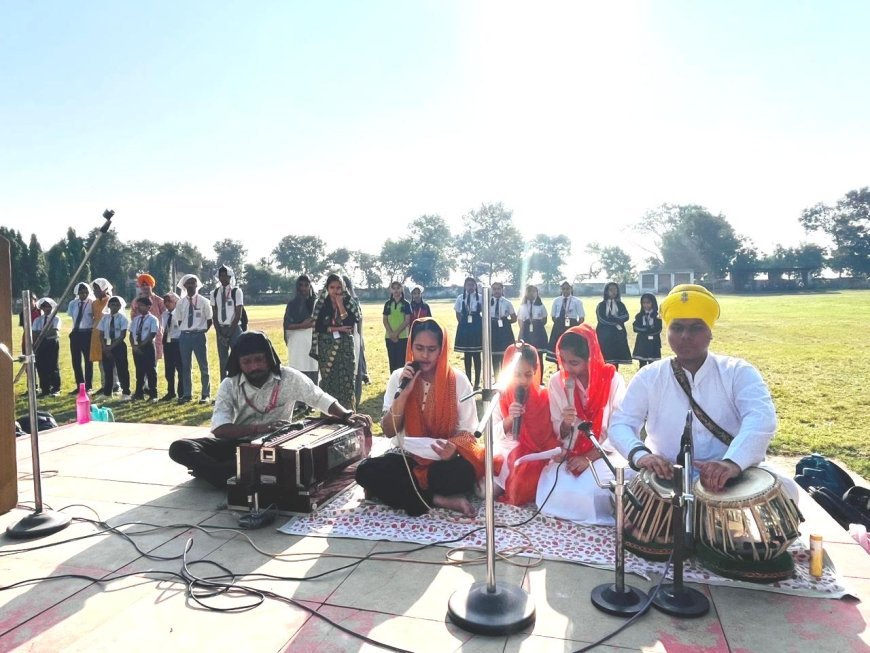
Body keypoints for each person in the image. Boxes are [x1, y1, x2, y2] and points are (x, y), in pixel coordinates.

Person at [608, 284, 799, 501]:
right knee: (612, 491)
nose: (685, 336)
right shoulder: (649, 376)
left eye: (696, 328)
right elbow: (621, 423)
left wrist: (732, 463)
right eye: (677, 327)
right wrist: (642, 456)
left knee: (787, 489)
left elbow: (761, 419)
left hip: (731, 473)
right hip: (663, 473)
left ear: (710, 333)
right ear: (667, 332)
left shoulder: (738, 371)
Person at [168, 331, 371, 489]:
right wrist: (260, 428)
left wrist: (346, 414)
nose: (254, 367)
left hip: (276, 447)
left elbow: (319, 398)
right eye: (247, 362)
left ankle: (225, 473)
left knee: (286, 465)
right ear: (239, 363)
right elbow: (220, 429)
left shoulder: (289, 377)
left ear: (269, 358)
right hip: (239, 444)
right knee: (179, 447)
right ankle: (232, 472)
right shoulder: (229, 384)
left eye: (259, 359)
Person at [355, 318, 483, 517]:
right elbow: (389, 431)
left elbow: (469, 433)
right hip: (407, 458)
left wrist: (453, 449)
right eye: (419, 348)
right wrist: (403, 394)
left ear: (442, 349)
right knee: (365, 471)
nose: (424, 355)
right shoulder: (399, 377)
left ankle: (402, 492)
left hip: (442, 462)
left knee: (464, 474)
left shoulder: (458, 381)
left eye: (432, 349)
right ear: (411, 346)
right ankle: (439, 499)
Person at [536, 324, 625, 524]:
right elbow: (557, 429)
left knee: (588, 492)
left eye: (574, 362)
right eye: (563, 361)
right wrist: (565, 424)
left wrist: (589, 457)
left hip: (605, 452)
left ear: (590, 358)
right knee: (554, 491)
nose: (567, 368)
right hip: (570, 451)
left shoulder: (613, 380)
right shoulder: (557, 381)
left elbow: (619, 429)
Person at [491, 343, 559, 506]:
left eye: (528, 375)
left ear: (535, 370)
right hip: (507, 449)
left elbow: (551, 433)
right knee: (486, 491)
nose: (522, 380)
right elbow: (491, 434)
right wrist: (510, 419)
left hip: (536, 453)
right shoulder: (498, 394)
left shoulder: (545, 396)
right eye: (516, 375)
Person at [310, 273, 360, 410]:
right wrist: (337, 328)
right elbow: (318, 326)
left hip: (345, 347)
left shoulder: (349, 302)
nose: (335, 291)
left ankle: (348, 413)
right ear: (327, 288)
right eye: (332, 287)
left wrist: (340, 304)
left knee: (347, 378)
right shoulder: (321, 304)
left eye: (338, 287)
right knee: (328, 379)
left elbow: (350, 323)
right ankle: (329, 413)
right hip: (326, 347)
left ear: (343, 288)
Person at [176, 274, 213, 404]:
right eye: (188, 283)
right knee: (186, 366)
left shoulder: (204, 301)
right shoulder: (180, 303)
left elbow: (209, 320)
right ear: (184, 285)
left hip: (199, 335)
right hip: (185, 336)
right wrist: (187, 330)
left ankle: (205, 394)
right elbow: (179, 321)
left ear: (197, 285)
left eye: (193, 282)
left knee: (203, 366)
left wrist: (200, 330)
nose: (191, 285)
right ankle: (187, 394)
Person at [283, 274, 318, 384]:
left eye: (306, 285)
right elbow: (287, 325)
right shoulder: (292, 304)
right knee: (298, 376)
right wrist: (302, 326)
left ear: (310, 286)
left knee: (313, 376)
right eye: (301, 285)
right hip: (297, 345)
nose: (303, 288)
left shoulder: (316, 303)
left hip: (313, 344)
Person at [211, 265, 244, 378]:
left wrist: (229, 333)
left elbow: (238, 314)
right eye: (221, 276)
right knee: (223, 360)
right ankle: (223, 383)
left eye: (225, 276)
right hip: (221, 328)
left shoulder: (236, 291)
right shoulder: (214, 293)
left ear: (230, 277)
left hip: (234, 328)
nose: (223, 278)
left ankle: (238, 381)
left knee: (238, 357)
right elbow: (214, 315)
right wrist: (220, 334)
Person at [96, 296, 131, 400]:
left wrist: (111, 347)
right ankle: (107, 393)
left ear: (120, 306)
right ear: (109, 306)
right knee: (107, 370)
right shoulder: (105, 318)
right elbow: (101, 334)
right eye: (112, 304)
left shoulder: (122, 318)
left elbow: (122, 335)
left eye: (117, 304)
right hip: (106, 344)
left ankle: (126, 392)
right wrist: (105, 347)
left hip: (118, 345)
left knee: (122, 369)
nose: (114, 306)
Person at [343, 275, 369, 409]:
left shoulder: (354, 301)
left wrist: (359, 339)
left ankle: (355, 400)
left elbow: (359, 322)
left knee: (356, 371)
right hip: (339, 339)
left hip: (354, 338)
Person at [454, 277, 483, 389]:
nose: (470, 287)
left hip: (477, 326)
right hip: (465, 326)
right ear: (465, 286)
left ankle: (477, 382)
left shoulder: (480, 298)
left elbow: (485, 311)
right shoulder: (460, 298)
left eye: (472, 285)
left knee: (477, 354)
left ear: (475, 286)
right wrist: (462, 324)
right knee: (467, 355)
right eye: (468, 285)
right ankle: (468, 380)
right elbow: (458, 313)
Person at [595, 282, 632, 368]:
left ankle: (615, 374)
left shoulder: (620, 305)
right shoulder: (601, 305)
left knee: (616, 358)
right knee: (605, 357)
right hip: (605, 335)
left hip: (617, 334)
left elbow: (626, 316)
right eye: (611, 290)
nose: (613, 292)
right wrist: (616, 321)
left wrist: (614, 319)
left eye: (615, 290)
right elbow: (602, 319)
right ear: (606, 291)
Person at [130, 273, 166, 362]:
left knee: (153, 362)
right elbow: (133, 317)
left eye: (147, 284)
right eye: (142, 285)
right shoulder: (136, 301)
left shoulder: (159, 300)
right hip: (140, 334)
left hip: (155, 334)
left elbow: (166, 315)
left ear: (151, 285)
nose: (145, 287)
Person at [546, 281, 585, 363]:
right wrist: (559, 323)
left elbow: (581, 317)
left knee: (571, 348)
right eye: (563, 289)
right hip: (558, 326)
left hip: (572, 326)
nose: (565, 291)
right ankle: (558, 367)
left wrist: (575, 328)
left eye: (567, 289)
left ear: (571, 289)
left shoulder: (577, 301)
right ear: (561, 289)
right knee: (559, 347)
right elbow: (553, 316)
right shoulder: (556, 301)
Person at [130, 296, 159, 401]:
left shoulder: (153, 319)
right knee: (139, 371)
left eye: (142, 305)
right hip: (137, 348)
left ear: (148, 307)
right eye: (138, 305)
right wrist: (134, 346)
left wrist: (141, 345)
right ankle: (139, 393)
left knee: (150, 371)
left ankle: (153, 394)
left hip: (148, 347)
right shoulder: (136, 319)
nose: (139, 307)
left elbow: (152, 334)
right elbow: (131, 334)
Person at [67, 282, 95, 393]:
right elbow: (72, 316)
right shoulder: (73, 303)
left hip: (87, 333)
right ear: (77, 293)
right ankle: (80, 385)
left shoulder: (92, 302)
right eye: (81, 292)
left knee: (88, 361)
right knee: (76, 361)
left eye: (86, 292)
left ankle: (88, 386)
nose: (84, 294)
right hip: (76, 333)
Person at [89, 278, 115, 394]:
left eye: (98, 289)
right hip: (96, 334)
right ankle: (104, 384)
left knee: (110, 358)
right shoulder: (94, 303)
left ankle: (115, 384)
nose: (95, 291)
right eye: (94, 289)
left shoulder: (110, 301)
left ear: (104, 289)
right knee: (100, 359)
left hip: (108, 333)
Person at [32, 298, 61, 397]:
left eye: (49, 306)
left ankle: (56, 388)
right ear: (41, 308)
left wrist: (41, 334)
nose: (47, 308)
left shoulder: (56, 319)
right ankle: (45, 389)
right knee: (41, 366)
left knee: (53, 365)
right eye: (44, 306)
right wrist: (44, 334)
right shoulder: (37, 320)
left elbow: (54, 331)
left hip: (52, 343)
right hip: (40, 344)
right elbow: (34, 333)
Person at [517, 285, 548, 370]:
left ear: (537, 293)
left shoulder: (541, 306)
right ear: (525, 293)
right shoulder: (522, 306)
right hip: (526, 332)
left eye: (534, 291)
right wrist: (524, 330)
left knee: (539, 356)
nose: (531, 293)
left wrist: (537, 325)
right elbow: (520, 320)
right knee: (526, 356)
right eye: (529, 291)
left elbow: (544, 320)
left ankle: (540, 376)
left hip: (538, 332)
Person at [382, 281, 412, 373]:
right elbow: (385, 320)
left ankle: (402, 381)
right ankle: (393, 380)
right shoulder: (387, 304)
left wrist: (396, 333)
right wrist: (391, 334)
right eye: (393, 288)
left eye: (398, 288)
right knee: (392, 362)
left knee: (401, 362)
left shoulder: (406, 304)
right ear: (391, 290)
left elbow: (407, 320)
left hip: (402, 337)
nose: (396, 290)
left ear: (401, 289)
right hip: (389, 337)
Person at [489, 282, 517, 375]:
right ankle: (496, 377)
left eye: (498, 289)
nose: (496, 291)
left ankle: (504, 378)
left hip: (504, 329)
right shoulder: (488, 302)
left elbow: (514, 318)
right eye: (494, 289)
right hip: (493, 328)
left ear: (502, 290)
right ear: (492, 290)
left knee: (504, 354)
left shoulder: (507, 303)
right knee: (494, 355)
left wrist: (505, 323)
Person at [160, 292, 183, 401]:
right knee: (169, 369)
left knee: (180, 368)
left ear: (176, 302)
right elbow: (163, 328)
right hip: (168, 343)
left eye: (169, 301)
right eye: (165, 301)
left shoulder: (180, 314)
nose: (167, 303)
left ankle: (181, 393)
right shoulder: (164, 314)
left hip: (178, 342)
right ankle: (170, 392)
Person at [632, 293, 662, 367]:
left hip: (653, 342)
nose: (646, 305)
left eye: (648, 302)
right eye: (644, 303)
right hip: (642, 342)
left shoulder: (657, 316)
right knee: (642, 364)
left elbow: (658, 329)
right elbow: (635, 328)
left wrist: (646, 331)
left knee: (653, 364)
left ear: (653, 303)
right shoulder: (639, 316)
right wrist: (646, 330)